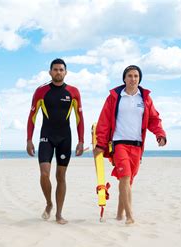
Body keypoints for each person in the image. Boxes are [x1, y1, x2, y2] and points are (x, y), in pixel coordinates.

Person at [93, 65, 166, 224]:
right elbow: (104, 121)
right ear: (124, 78)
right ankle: (130, 217)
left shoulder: (144, 98)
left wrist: (160, 134)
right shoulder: (114, 97)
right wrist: (101, 144)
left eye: (136, 76)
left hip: (137, 146)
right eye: (130, 76)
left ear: (139, 79)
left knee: (127, 182)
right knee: (125, 177)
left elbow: (154, 119)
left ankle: (119, 215)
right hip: (119, 144)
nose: (133, 79)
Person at [26, 58, 85, 224]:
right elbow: (32, 117)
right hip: (46, 136)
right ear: (50, 72)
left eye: (61, 70)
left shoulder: (73, 92)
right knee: (44, 173)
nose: (58, 72)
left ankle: (59, 214)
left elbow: (79, 118)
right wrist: (29, 139)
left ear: (65, 72)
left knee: (61, 176)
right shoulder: (41, 91)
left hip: (65, 138)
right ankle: (49, 203)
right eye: (55, 69)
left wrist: (81, 140)